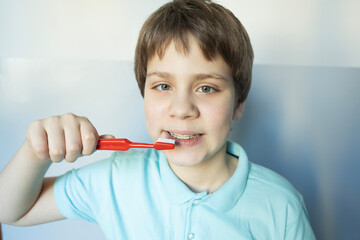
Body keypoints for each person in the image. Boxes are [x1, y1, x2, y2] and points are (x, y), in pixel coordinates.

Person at [0, 0, 315, 239]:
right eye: (163, 86)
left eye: (206, 88)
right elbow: (10, 211)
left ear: (239, 103)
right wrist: (36, 150)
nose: (182, 109)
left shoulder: (281, 207)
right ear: (144, 94)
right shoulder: (115, 181)